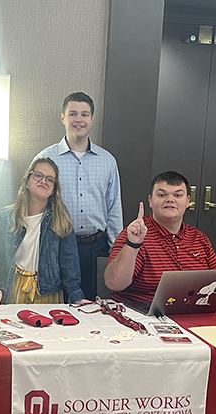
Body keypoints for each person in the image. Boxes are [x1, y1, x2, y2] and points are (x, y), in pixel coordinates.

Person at [36, 92, 123, 299]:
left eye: (85, 114)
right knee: (60, 307)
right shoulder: (45, 159)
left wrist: (117, 251)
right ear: (63, 117)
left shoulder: (107, 160)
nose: (79, 119)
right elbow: (34, 206)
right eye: (73, 113)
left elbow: (114, 208)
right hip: (57, 246)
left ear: (92, 119)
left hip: (97, 247)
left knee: (95, 307)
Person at [105, 171, 216, 306]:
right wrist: (133, 244)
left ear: (188, 201)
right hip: (140, 313)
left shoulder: (200, 238)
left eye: (178, 195)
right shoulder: (134, 234)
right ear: (150, 201)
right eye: (162, 195)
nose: (170, 199)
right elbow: (114, 283)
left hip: (190, 313)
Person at [0, 158, 85, 305]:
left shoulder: (61, 218)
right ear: (27, 181)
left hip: (50, 291)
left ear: (54, 188)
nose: (43, 181)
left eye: (50, 179)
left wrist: (76, 295)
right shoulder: (7, 218)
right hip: (16, 288)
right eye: (38, 175)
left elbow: (69, 261)